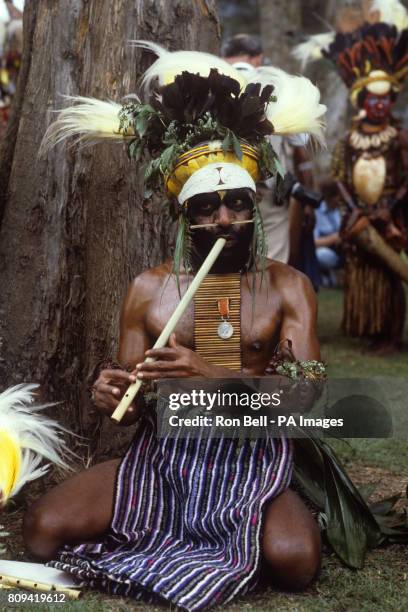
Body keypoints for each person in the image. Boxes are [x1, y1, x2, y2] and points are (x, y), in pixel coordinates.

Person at [23, 43, 326, 609]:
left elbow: (307, 401)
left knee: (294, 561)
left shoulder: (289, 286)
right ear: (183, 214)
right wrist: (113, 392)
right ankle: (174, 529)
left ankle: (240, 527)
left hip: (250, 460)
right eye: (207, 208)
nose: (224, 220)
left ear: (255, 205)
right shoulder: (149, 288)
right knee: (42, 529)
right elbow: (132, 408)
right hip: (164, 457)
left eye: (237, 203)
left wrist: (211, 374)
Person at [294, 0, 408, 351]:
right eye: (372, 99)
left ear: (391, 100)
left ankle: (389, 334)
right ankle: (368, 329)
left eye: (384, 99)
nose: (378, 105)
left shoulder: (400, 136)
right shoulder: (349, 139)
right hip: (358, 215)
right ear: (361, 100)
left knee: (390, 275)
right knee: (362, 275)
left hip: (390, 217)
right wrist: (354, 208)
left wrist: (389, 208)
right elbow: (341, 175)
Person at [314, 182, 342, 287]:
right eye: (338, 197)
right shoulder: (317, 212)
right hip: (328, 250)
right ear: (330, 197)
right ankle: (325, 273)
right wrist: (334, 238)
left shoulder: (340, 210)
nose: (340, 200)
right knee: (319, 254)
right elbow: (314, 242)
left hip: (342, 249)